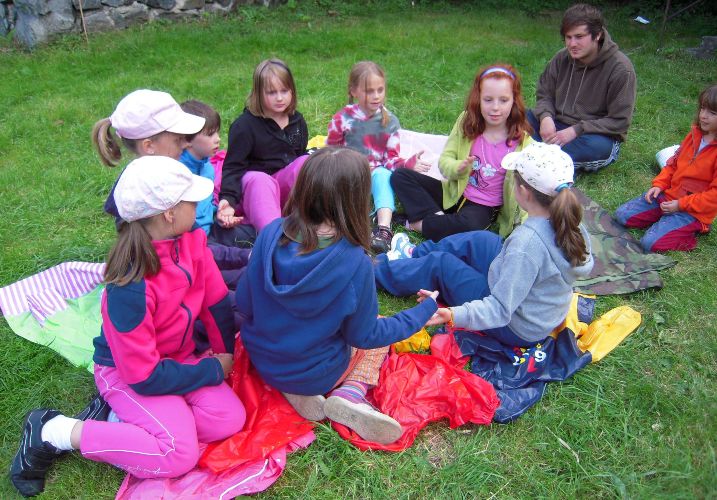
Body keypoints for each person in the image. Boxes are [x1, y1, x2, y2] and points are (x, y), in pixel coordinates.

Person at [10, 156, 246, 497]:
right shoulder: (130, 285)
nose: (201, 205)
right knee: (177, 454)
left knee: (228, 419)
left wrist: (224, 356)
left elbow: (216, 302)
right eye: (192, 201)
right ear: (169, 213)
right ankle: (54, 430)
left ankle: (128, 421)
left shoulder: (192, 241)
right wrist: (211, 370)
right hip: (129, 374)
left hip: (176, 360)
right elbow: (143, 376)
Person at [235, 147, 439, 445]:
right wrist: (423, 311)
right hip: (316, 373)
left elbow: (244, 303)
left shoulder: (270, 233)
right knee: (378, 334)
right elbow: (365, 335)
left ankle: (296, 390)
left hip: (264, 361)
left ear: (303, 187)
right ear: (356, 200)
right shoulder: (355, 262)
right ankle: (351, 393)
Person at [375, 142, 593, 347]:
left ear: (524, 192)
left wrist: (453, 314)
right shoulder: (571, 222)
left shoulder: (526, 244)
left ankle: (373, 272)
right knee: (482, 240)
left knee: (441, 265)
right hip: (530, 302)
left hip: (514, 325)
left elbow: (500, 309)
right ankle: (412, 254)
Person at [389, 63, 533, 243]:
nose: (495, 107)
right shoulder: (466, 121)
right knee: (400, 176)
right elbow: (445, 161)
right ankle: (440, 221)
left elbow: (531, 187)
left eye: (503, 100)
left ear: (514, 101)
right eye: (488, 100)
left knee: (469, 226)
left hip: (483, 207)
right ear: (478, 99)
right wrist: (458, 168)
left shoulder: (522, 142)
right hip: (453, 192)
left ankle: (418, 224)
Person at [326, 61, 430, 253]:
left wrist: (408, 164)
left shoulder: (390, 122)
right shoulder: (341, 119)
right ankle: (336, 225)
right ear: (354, 91)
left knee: (383, 175)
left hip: (374, 173)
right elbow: (330, 153)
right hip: (348, 172)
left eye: (380, 90)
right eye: (369, 91)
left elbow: (390, 160)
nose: (376, 96)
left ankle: (383, 230)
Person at [528, 3, 636, 172]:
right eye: (568, 37)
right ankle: (543, 155)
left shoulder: (621, 69)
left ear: (597, 35)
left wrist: (576, 130)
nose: (572, 44)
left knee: (596, 148)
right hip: (556, 123)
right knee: (514, 116)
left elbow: (619, 121)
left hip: (592, 135)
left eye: (579, 37)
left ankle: (538, 156)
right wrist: (545, 117)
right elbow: (545, 93)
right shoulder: (561, 58)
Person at [615, 84, 717, 252]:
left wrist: (680, 205)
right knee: (622, 216)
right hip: (667, 197)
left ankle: (692, 232)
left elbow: (714, 197)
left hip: (692, 212)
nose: (704, 116)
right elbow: (673, 164)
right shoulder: (694, 135)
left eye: (712, 113)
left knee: (649, 243)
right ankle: (664, 220)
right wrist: (659, 185)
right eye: (702, 108)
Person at [218, 59, 309, 233]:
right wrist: (228, 200)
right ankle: (273, 237)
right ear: (258, 94)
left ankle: (311, 224)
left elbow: (298, 157)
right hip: (256, 188)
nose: (280, 98)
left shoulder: (297, 121)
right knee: (261, 180)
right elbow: (233, 167)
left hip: (284, 187)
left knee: (307, 162)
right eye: (272, 92)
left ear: (292, 91)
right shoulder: (244, 126)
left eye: (284, 91)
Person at [92, 89, 206, 222]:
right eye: (178, 140)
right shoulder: (136, 199)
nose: (186, 144)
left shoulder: (166, 175)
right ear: (149, 146)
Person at [179, 99, 253, 287]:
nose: (218, 139)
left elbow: (204, 205)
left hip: (211, 230)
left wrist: (218, 214)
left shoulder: (207, 168)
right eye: (210, 134)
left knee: (253, 233)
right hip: (191, 243)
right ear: (187, 140)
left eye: (217, 132)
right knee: (238, 271)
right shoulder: (178, 173)